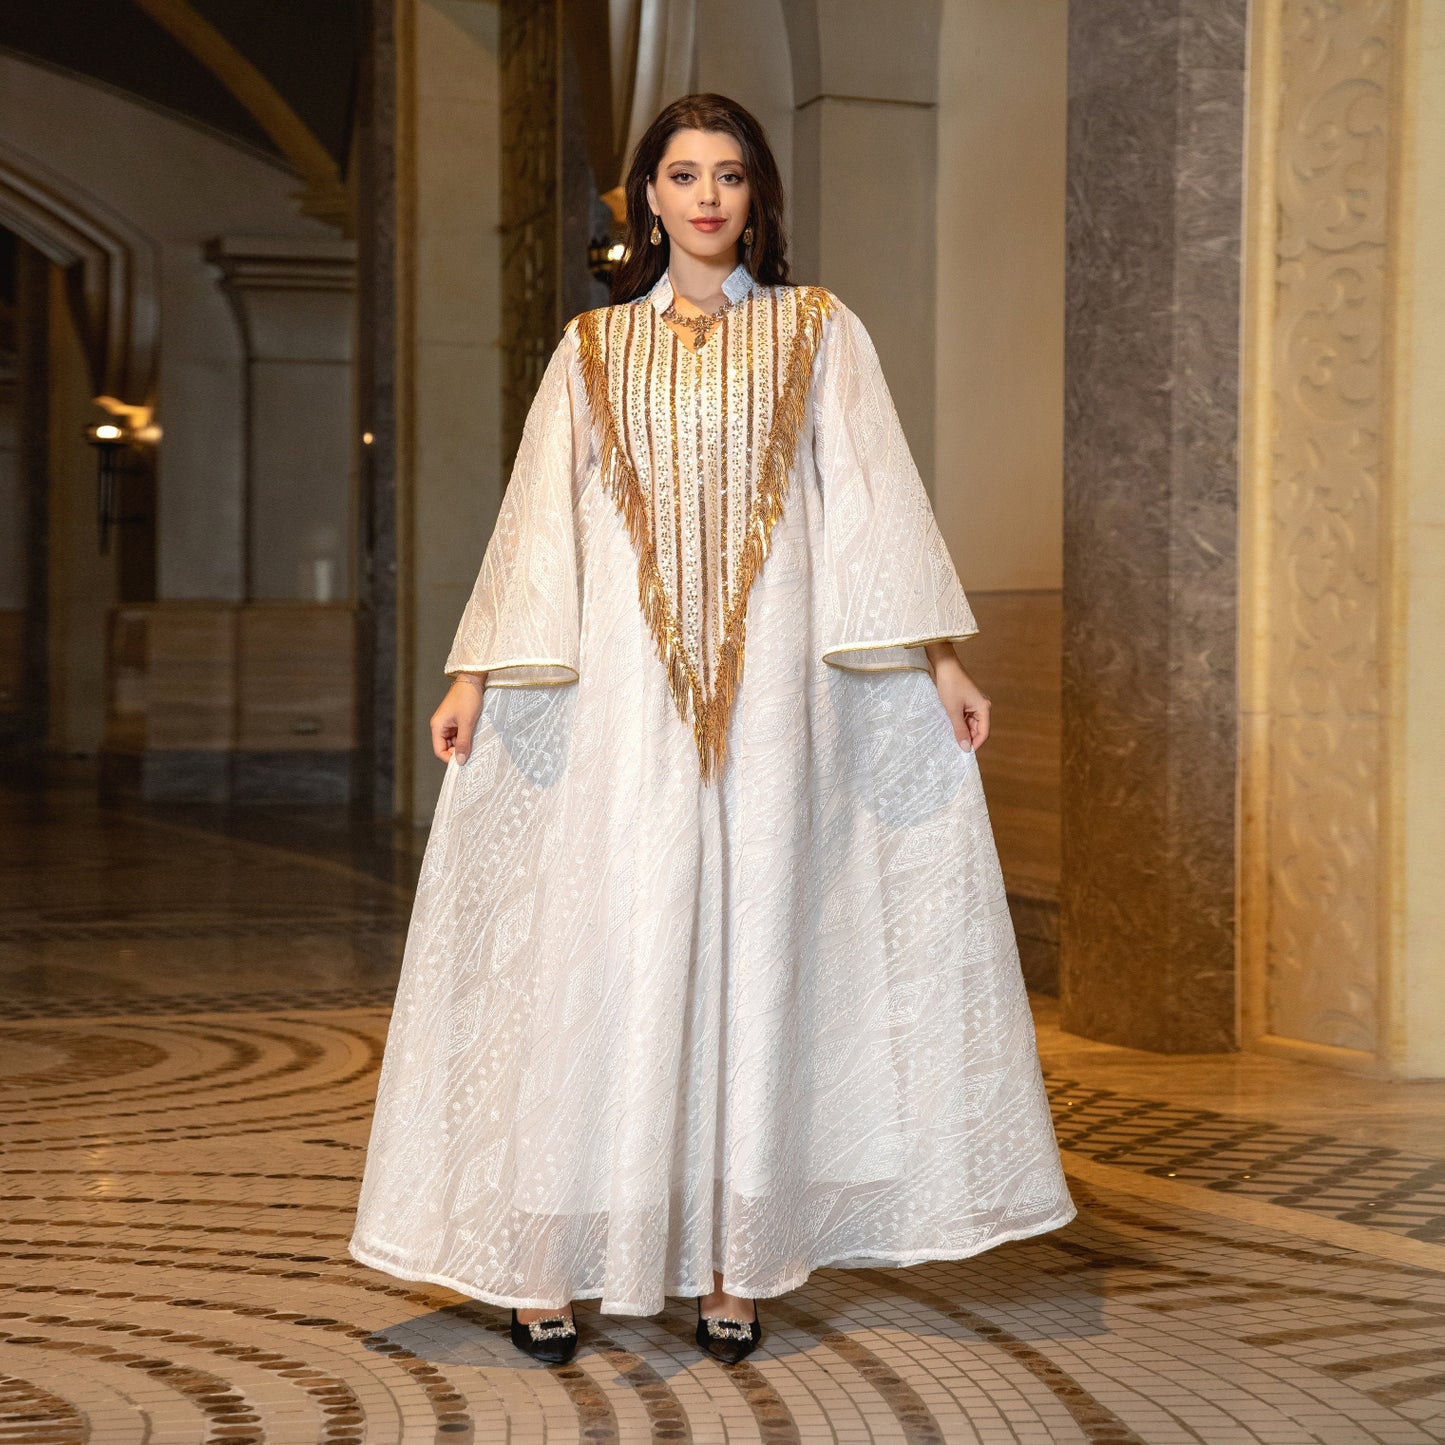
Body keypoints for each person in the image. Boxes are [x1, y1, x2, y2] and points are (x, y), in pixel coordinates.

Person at [348, 92, 1074, 1368]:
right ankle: (551, 1256)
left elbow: (869, 500)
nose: (704, 196)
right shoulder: (588, 350)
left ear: (757, 197)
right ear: (644, 196)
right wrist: (473, 676)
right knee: (604, 950)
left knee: (756, 945)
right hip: (619, 697)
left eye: (728, 174)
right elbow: (538, 526)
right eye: (680, 173)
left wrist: (938, 662)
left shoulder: (817, 329)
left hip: (778, 700)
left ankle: (738, 1258)